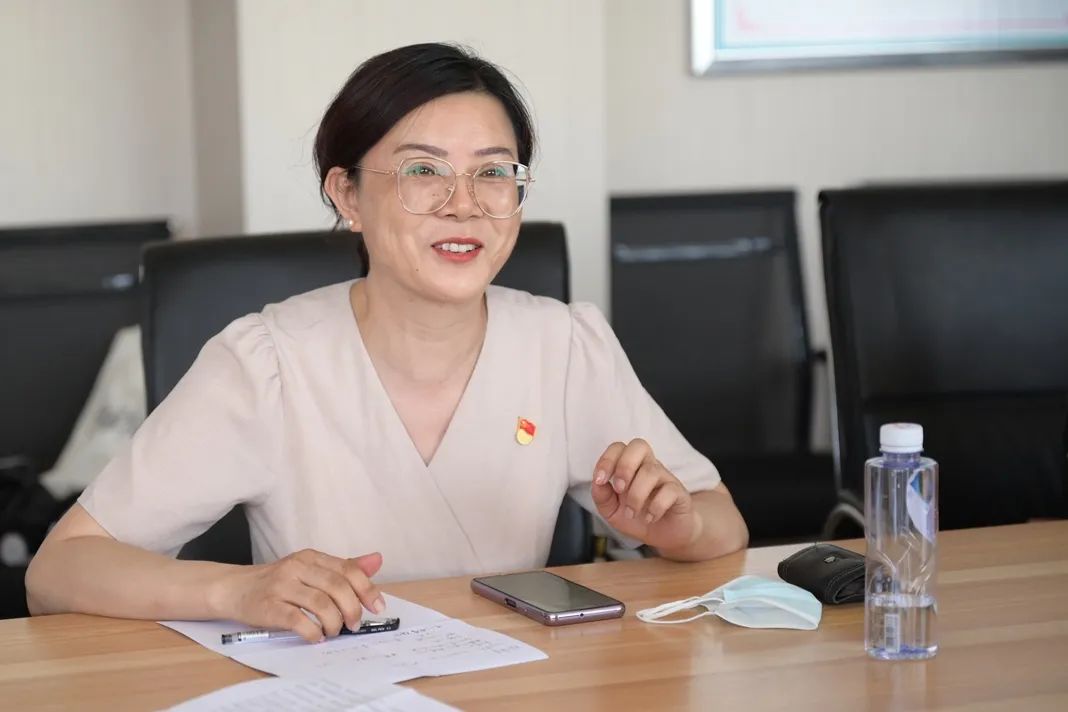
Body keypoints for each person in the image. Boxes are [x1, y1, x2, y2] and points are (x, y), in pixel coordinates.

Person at [26, 43, 747, 642]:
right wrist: (239, 590)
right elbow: (58, 571)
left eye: (493, 173)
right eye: (422, 171)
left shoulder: (563, 344)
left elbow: (720, 522)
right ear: (347, 196)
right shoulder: (266, 363)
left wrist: (675, 528)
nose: (464, 205)